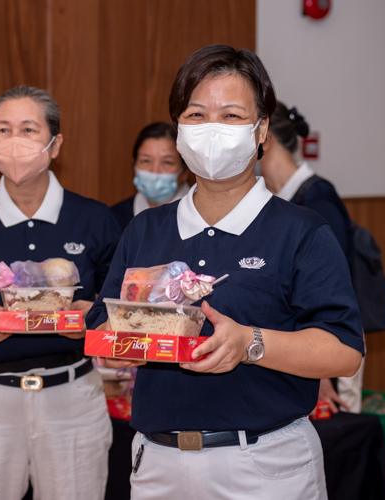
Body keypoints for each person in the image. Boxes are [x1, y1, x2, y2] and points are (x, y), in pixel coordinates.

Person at [86, 45, 364, 500]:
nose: (212, 129)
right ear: (179, 129)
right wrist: (124, 345)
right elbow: (102, 323)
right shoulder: (145, 229)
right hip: (157, 463)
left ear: (262, 132)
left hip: (265, 464)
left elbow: (343, 351)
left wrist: (250, 343)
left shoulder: (301, 231)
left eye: (231, 115)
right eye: (196, 114)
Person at [0, 85, 120, 500]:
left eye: (29, 129)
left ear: (55, 143)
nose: (14, 141)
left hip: (73, 400)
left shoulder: (94, 219)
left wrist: (91, 317)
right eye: (2, 130)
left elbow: (116, 309)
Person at [259, 102, 364, 413]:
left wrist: (323, 370)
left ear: (266, 139)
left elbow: (331, 289)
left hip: (326, 344)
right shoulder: (274, 199)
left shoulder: (318, 198)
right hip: (290, 346)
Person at [110, 122, 191, 231]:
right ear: (134, 165)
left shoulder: (203, 215)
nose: (155, 171)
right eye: (146, 161)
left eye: (167, 162)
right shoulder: (114, 219)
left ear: (185, 171)